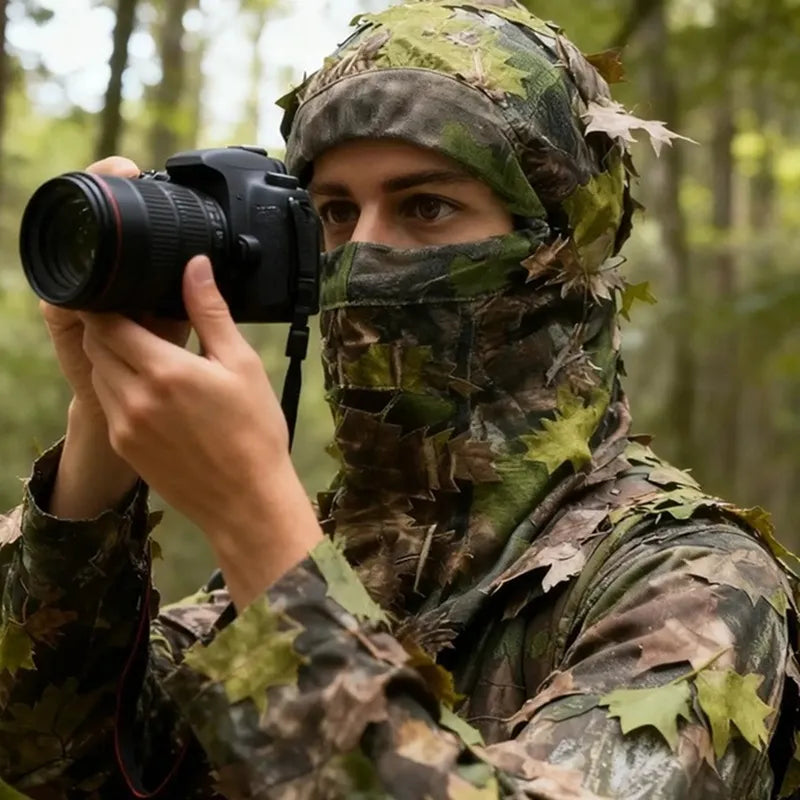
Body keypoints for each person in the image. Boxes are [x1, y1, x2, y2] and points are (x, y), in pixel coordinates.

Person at [1, 1, 798, 798]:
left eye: (426, 206)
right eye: (337, 213)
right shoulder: (328, 561)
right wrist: (98, 442)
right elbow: (61, 758)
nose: (368, 253)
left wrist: (255, 527)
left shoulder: (693, 583)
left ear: (557, 249)